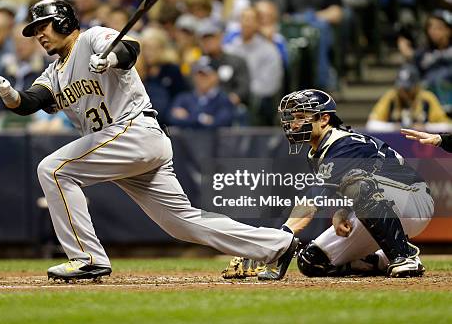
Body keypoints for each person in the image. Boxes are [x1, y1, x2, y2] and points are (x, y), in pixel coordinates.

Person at [0, 0, 298, 282]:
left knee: (53, 169)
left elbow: (130, 49)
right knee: (182, 223)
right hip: (125, 145)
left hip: (135, 131)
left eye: (44, 26)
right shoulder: (54, 72)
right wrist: (8, 94)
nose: (39, 34)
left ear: (65, 22)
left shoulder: (93, 38)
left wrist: (109, 60)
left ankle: (87, 258)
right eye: (35, 29)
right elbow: (29, 102)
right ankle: (278, 245)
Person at [224, 89, 434, 279]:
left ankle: (404, 257)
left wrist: (279, 239)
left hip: (413, 200)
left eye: (300, 117)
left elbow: (315, 199)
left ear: (324, 119)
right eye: (292, 118)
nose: (294, 124)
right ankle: (384, 258)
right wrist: (343, 210)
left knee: (357, 186)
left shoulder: (344, 144)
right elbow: (347, 186)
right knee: (311, 262)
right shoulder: (317, 151)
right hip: (386, 206)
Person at [366, 65, 450, 132]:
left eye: (407, 89)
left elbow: (446, 126)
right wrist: (394, 127)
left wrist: (425, 127)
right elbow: (371, 124)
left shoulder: (427, 98)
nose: (403, 92)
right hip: (395, 143)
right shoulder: (391, 97)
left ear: (417, 86)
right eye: (401, 87)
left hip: (422, 145)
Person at [168, 57, 234, 128]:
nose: (200, 78)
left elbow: (221, 122)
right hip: (188, 138)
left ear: (215, 76)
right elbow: (171, 118)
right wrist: (202, 118)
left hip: (212, 139)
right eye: (197, 74)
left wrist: (188, 117)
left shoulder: (223, 100)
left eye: (204, 75)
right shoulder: (183, 98)